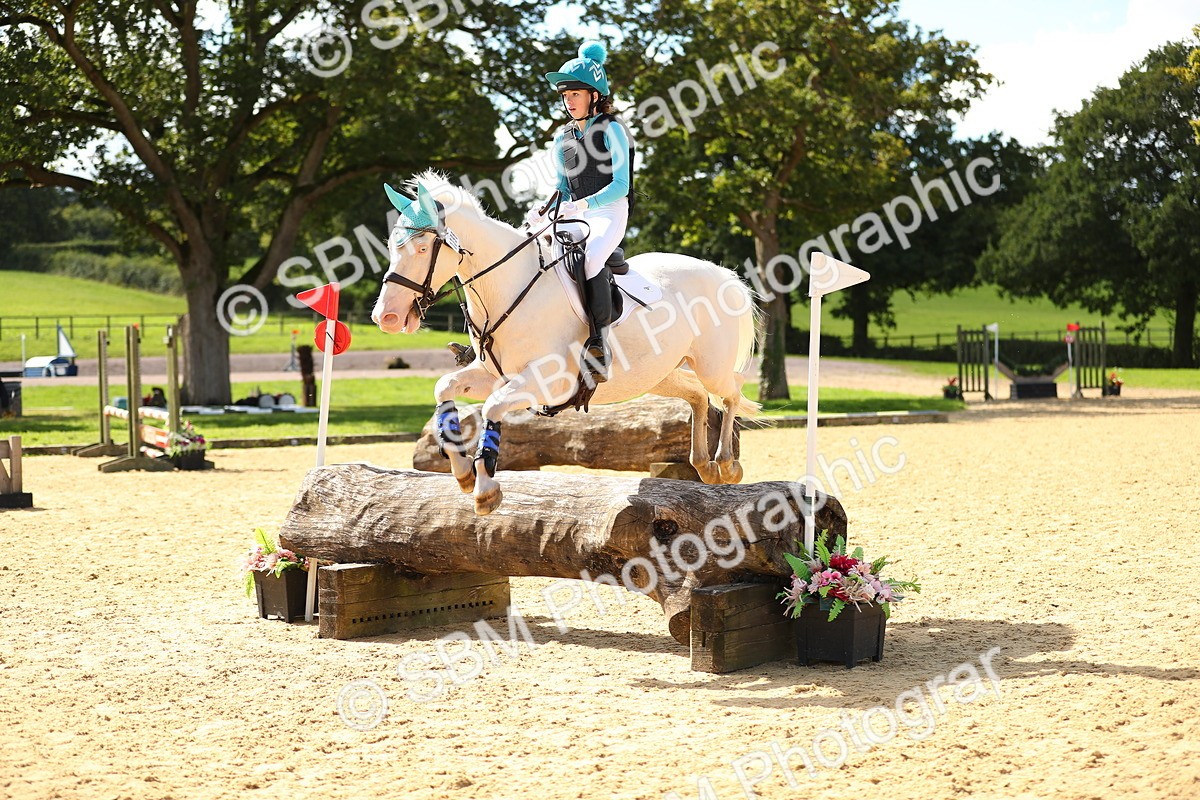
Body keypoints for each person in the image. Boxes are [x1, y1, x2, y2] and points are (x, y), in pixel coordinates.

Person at [528, 41, 635, 383]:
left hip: (609, 212)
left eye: (575, 93)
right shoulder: (563, 138)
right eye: (565, 95)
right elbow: (562, 186)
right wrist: (543, 210)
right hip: (575, 211)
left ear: (594, 95)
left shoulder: (612, 129)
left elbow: (621, 185)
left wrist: (586, 204)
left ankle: (599, 343)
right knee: (531, 246)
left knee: (590, 260)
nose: (569, 101)